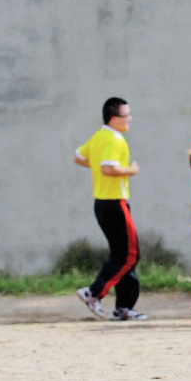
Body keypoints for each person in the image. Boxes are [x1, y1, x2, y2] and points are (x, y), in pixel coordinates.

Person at [73, 97, 147, 321]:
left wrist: (98, 166)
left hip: (102, 203)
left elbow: (79, 157)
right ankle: (93, 292)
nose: (130, 119)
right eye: (126, 116)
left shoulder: (99, 136)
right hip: (115, 202)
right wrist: (129, 170)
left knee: (122, 255)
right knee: (130, 254)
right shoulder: (115, 139)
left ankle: (123, 307)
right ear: (114, 119)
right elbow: (107, 169)